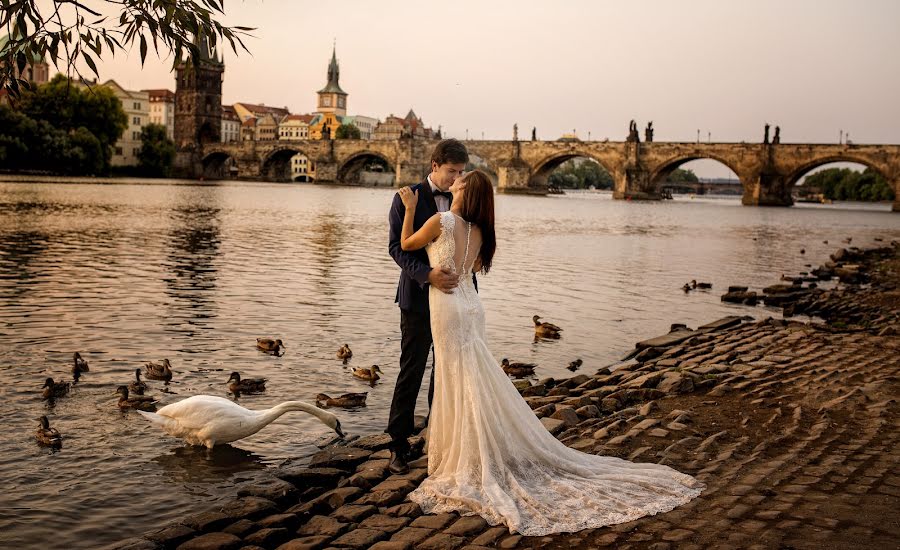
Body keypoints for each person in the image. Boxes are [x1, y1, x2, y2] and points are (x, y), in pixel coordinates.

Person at [395, 169, 704, 536]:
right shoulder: (479, 231)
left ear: (464, 191)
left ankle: (461, 454)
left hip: (447, 305)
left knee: (453, 374)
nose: (455, 181)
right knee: (471, 374)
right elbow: (470, 267)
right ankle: (470, 447)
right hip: (471, 305)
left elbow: (406, 244)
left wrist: (410, 208)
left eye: (461, 180)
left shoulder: (441, 219)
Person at [386, 138, 472, 475]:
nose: (456, 178)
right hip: (418, 299)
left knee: (447, 370)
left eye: (461, 172)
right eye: (452, 171)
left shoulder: (464, 198)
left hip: (455, 299)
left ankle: (438, 436)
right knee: (412, 369)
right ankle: (398, 444)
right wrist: (427, 275)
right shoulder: (407, 197)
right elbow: (397, 248)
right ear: (435, 165)